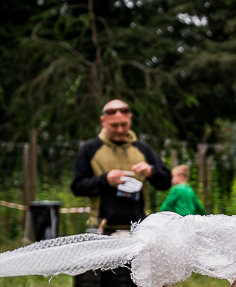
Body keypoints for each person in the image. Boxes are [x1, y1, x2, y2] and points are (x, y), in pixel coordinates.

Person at [71, 99, 171, 233]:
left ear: (130, 118)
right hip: (102, 229)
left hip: (138, 229)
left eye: (124, 124)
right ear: (103, 121)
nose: (120, 130)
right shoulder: (89, 149)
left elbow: (166, 181)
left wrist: (151, 172)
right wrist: (105, 180)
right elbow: (77, 187)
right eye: (114, 125)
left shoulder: (143, 149)